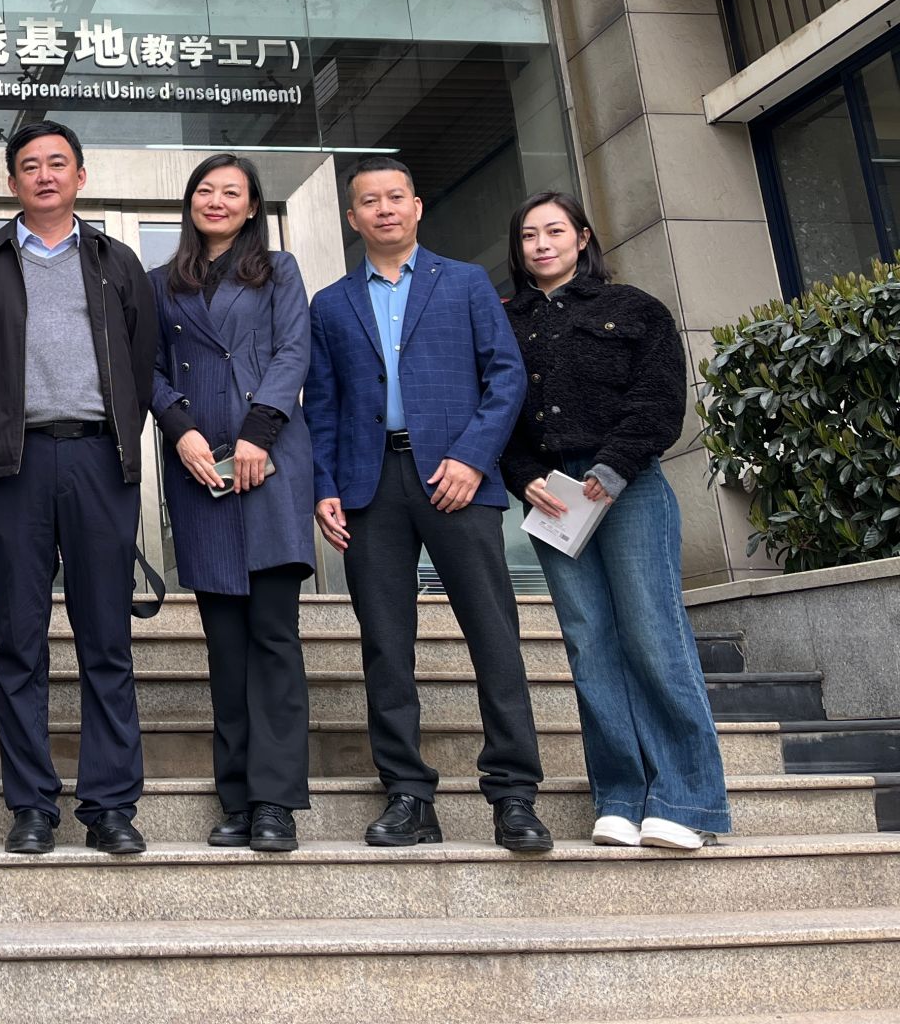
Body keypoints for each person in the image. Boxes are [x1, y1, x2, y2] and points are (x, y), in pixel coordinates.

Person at [304, 156, 550, 853]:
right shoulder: (331, 304)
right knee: (386, 644)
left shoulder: (465, 283)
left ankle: (513, 794)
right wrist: (324, 485)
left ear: (416, 207)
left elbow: (506, 377)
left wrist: (473, 457)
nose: (384, 209)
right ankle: (408, 794)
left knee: (493, 636)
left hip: (456, 478)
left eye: (395, 197)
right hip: (369, 484)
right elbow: (322, 405)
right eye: (369, 201)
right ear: (352, 218)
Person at [502, 191, 730, 852]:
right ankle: (621, 796)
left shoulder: (634, 309)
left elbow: (659, 400)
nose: (541, 245)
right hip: (553, 496)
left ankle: (686, 799)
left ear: (582, 237)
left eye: (554, 231)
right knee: (589, 644)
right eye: (529, 236)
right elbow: (494, 409)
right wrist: (523, 475)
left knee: (653, 636)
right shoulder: (504, 322)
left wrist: (613, 466)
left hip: (625, 487)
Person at [0, 120, 157, 857]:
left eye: (57, 163)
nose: (44, 175)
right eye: (31, 166)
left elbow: (140, 359)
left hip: (99, 459)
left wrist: (123, 445)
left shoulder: (115, 260)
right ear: (12, 182)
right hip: (16, 464)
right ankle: (32, 804)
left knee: (107, 640)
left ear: (80, 176)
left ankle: (110, 805)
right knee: (20, 642)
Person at [149, 153, 315, 855]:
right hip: (201, 471)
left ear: (251, 207)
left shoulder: (278, 271)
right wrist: (180, 428)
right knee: (225, 647)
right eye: (205, 190)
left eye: (232, 192)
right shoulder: (161, 283)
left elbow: (293, 352)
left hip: (269, 463)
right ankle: (238, 797)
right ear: (190, 202)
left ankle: (275, 802)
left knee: (273, 637)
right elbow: (147, 367)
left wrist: (259, 431)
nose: (216, 201)